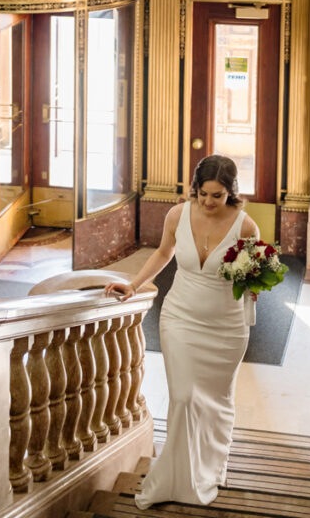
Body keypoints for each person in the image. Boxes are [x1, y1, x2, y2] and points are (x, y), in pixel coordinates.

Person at [105, 154, 260, 510]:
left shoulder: (246, 227)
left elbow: (253, 277)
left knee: (215, 402)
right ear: (195, 188)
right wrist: (133, 284)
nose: (208, 202)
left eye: (217, 196)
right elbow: (163, 253)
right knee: (185, 398)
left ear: (231, 193)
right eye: (203, 193)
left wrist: (255, 285)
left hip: (226, 327)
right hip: (180, 319)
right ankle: (176, 478)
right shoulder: (177, 215)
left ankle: (210, 466)